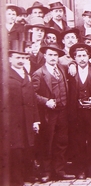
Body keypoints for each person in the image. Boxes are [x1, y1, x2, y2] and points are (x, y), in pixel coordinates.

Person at [32, 43, 75, 182]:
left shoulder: (62, 68)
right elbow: (32, 94)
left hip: (62, 111)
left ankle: (59, 171)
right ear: (44, 56)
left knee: (61, 141)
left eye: (55, 55)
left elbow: (72, 60)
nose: (53, 57)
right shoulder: (39, 73)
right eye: (50, 54)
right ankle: (46, 172)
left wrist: (73, 63)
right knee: (47, 142)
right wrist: (46, 101)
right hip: (48, 113)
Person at [67, 43, 91, 179]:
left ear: (89, 57)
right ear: (74, 58)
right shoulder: (70, 72)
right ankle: (80, 170)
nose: (82, 59)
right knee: (78, 141)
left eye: (84, 56)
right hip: (76, 113)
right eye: (79, 56)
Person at [8, 41, 40, 185]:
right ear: (10, 59)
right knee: (16, 150)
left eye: (23, 58)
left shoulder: (26, 74)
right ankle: (17, 180)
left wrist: (35, 119)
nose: (21, 61)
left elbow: (32, 98)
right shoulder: (5, 76)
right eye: (17, 58)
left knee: (28, 147)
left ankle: (28, 176)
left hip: (27, 119)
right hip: (13, 120)